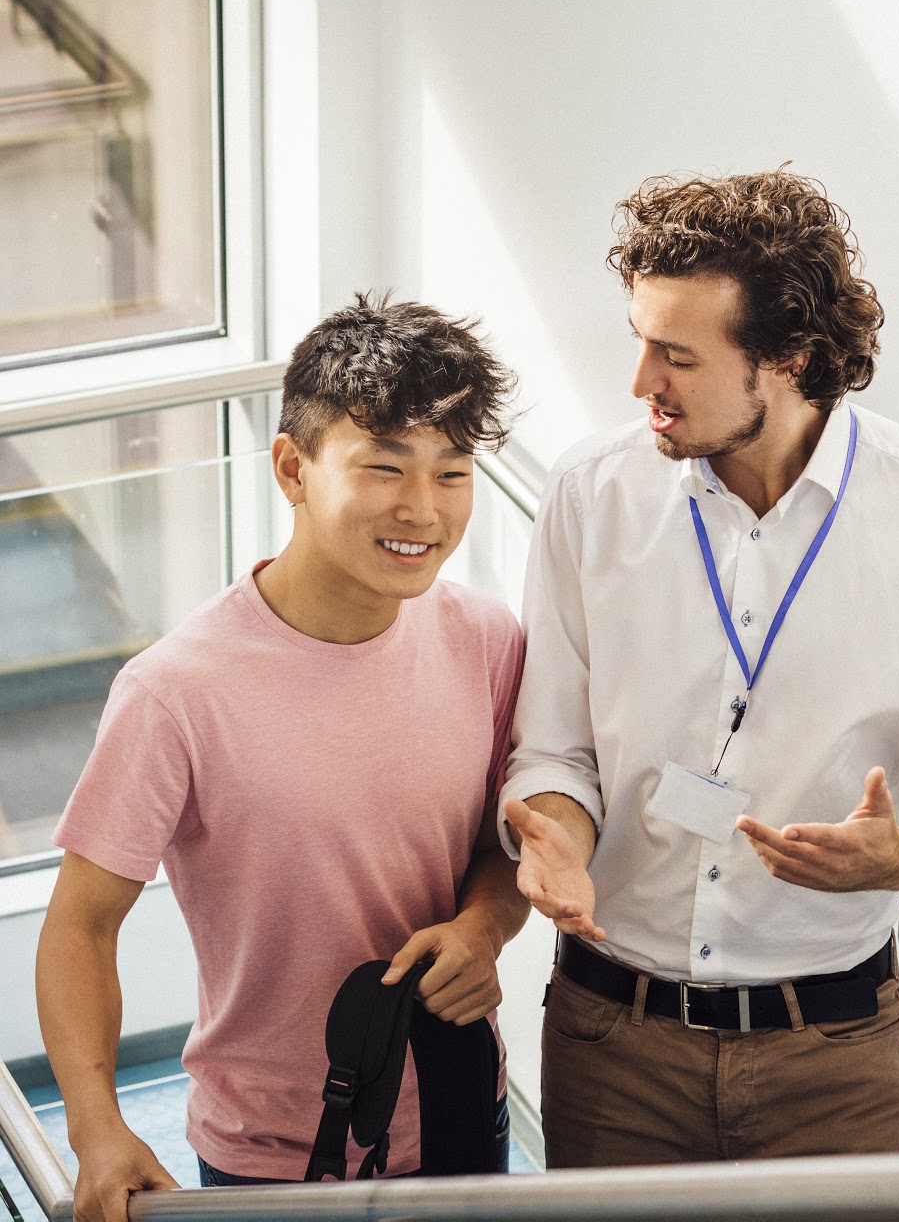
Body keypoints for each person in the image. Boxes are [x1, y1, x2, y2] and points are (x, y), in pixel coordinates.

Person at [500, 170, 899, 1167]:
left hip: (835, 1054)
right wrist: (555, 837)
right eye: (638, 341)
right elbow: (555, 747)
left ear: (788, 361)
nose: (640, 386)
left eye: (675, 356)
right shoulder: (590, 495)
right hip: (610, 1040)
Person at [35, 294, 529, 1221]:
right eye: (384, 466)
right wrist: (97, 1127)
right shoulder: (174, 691)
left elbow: (504, 844)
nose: (422, 511)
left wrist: (484, 928)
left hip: (462, 1102)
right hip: (274, 1151)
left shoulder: (488, 638)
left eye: (452, 472)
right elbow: (78, 929)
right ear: (292, 470)